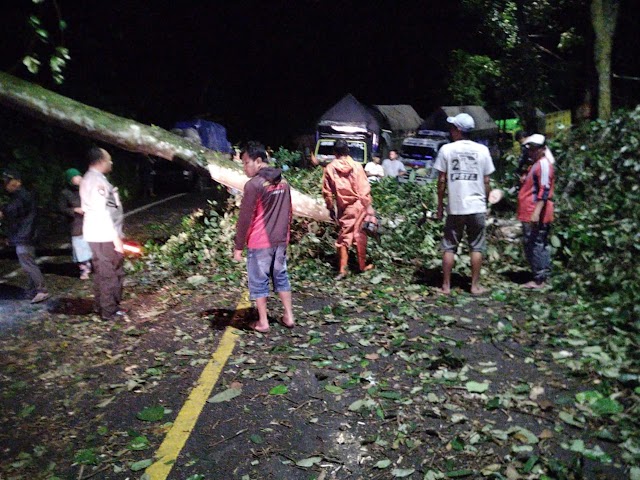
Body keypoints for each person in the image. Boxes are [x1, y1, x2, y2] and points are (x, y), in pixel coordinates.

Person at [233, 141, 294, 333]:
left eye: (245, 162)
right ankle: (289, 316)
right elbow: (289, 212)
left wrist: (238, 246)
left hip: (260, 242)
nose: (244, 167)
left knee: (259, 281)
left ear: (258, 161)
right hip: (280, 240)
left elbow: (245, 218)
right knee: (281, 276)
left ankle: (263, 322)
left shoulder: (254, 185)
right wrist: (286, 237)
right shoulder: (283, 182)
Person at [434, 113, 495, 295]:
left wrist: (439, 205)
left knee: (449, 245)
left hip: (456, 205)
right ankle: (474, 286)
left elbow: (441, 180)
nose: (451, 131)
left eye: (453, 128)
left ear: (459, 130)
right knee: (476, 245)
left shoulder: (447, 149)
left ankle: (446, 286)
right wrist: (488, 202)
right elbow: (486, 181)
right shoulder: (483, 150)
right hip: (477, 205)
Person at [80, 147, 126, 321]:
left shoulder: (89, 179)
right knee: (110, 274)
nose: (111, 163)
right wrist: (116, 239)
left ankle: (101, 307)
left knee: (102, 272)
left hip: (96, 233)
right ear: (100, 161)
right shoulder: (97, 182)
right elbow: (103, 212)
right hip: (104, 235)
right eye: (109, 159)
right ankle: (109, 311)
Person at [322, 139, 375, 279]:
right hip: (359, 206)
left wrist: (330, 208)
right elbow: (364, 189)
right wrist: (368, 206)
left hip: (344, 208)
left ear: (334, 152)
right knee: (360, 235)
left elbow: (327, 193)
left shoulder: (330, 168)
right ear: (347, 151)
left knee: (344, 237)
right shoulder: (357, 166)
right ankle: (361, 266)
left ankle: (343, 270)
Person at [0, 169, 49, 303]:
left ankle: (42, 290)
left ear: (18, 181)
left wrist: (3, 210)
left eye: (9, 182)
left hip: (25, 235)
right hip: (26, 234)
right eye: (5, 183)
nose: (6, 185)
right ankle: (32, 290)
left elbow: (13, 210)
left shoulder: (21, 196)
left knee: (28, 263)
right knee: (28, 262)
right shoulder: (22, 195)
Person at [517, 134, 555, 289]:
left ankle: (540, 278)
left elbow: (544, 190)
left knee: (536, 243)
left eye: (534, 149)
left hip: (535, 211)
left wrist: (536, 212)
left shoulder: (544, 165)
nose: (531, 152)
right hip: (529, 210)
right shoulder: (536, 164)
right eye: (530, 149)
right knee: (533, 242)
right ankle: (540, 274)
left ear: (542, 149)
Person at [59, 168, 92, 280]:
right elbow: (61, 208)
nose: (79, 179)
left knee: (93, 245)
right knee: (80, 248)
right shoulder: (65, 193)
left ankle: (96, 266)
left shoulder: (86, 189)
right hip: (76, 224)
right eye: (75, 177)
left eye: (79, 176)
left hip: (90, 222)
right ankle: (84, 269)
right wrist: (74, 210)